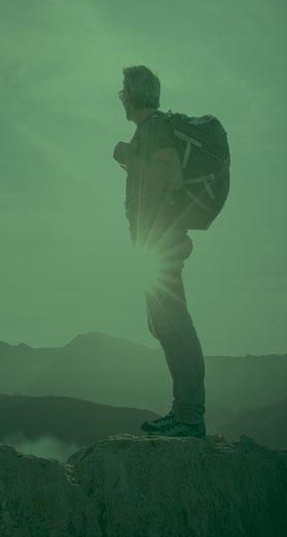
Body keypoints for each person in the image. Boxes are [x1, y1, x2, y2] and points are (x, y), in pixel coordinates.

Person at [113, 65, 206, 438]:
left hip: (163, 242)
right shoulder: (149, 130)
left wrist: (126, 157)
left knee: (174, 326)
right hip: (154, 243)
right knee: (164, 326)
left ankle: (189, 417)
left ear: (132, 95)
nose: (121, 98)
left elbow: (170, 177)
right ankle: (184, 413)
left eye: (122, 91)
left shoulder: (155, 128)